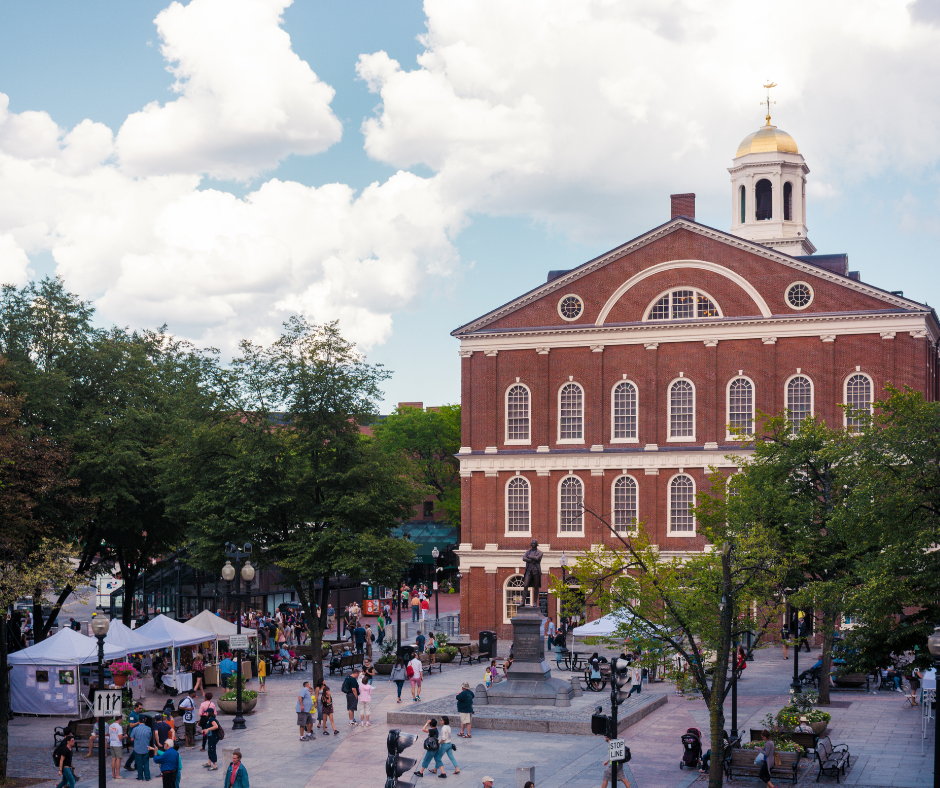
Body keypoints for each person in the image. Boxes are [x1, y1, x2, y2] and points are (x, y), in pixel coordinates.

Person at [129, 710, 153, 781]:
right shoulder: (149, 729)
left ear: (138, 720)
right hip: (146, 748)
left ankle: (140, 777)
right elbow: (150, 738)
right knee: (146, 763)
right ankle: (147, 777)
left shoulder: (135, 729)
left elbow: (132, 739)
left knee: (139, 763)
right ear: (145, 720)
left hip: (137, 748)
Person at [109, 714, 125, 780]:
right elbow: (120, 737)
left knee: (113, 759)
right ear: (120, 719)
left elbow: (109, 735)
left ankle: (113, 774)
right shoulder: (119, 727)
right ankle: (118, 775)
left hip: (112, 743)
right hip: (117, 744)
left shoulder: (111, 725)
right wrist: (125, 736)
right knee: (118, 759)